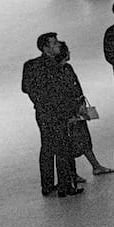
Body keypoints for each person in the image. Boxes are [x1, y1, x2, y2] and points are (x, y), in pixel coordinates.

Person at [21, 31, 85, 197]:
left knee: (47, 148)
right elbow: (63, 91)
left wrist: (38, 102)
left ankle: (47, 185)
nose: (59, 45)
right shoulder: (56, 67)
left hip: (43, 113)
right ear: (46, 48)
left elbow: (26, 88)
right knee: (63, 148)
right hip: (58, 113)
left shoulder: (30, 65)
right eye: (55, 43)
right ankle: (66, 186)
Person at [59, 40, 114, 178]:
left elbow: (77, 86)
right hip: (69, 111)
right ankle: (74, 173)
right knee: (72, 142)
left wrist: (82, 102)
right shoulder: (58, 71)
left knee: (83, 139)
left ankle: (95, 166)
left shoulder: (68, 68)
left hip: (77, 109)